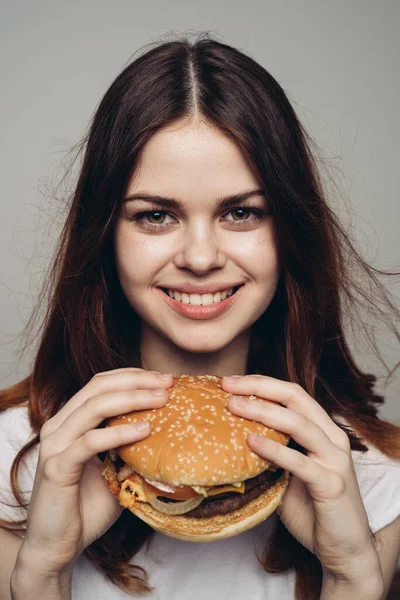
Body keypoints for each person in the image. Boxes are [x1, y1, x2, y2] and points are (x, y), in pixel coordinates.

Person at [0, 34, 399, 600]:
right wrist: (40, 571)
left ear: (289, 229)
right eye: (156, 215)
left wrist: (353, 576)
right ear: (105, 234)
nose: (201, 257)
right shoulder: (11, 462)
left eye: (242, 212)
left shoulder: (375, 478)